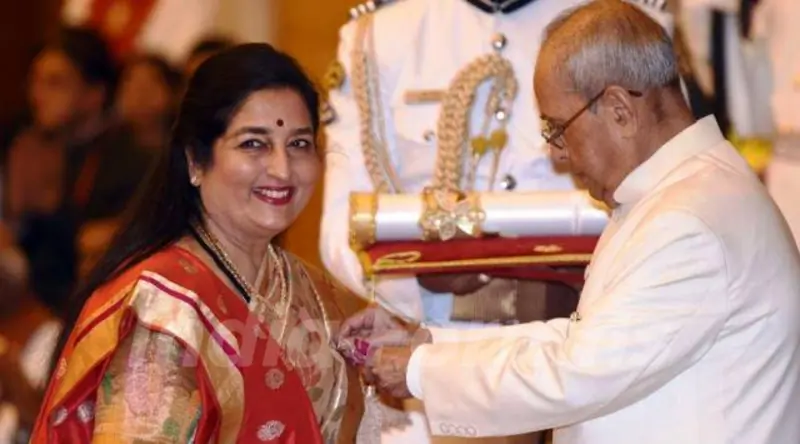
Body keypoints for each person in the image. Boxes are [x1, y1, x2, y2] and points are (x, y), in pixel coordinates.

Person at [338, 1, 800, 443]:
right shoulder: (679, 193)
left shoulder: (691, 219)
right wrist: (427, 340)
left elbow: (576, 373)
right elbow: (581, 340)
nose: (557, 153)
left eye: (558, 128)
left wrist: (419, 370)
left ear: (620, 110)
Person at [30, 43, 365, 443]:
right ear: (194, 161)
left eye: (299, 144)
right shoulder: (163, 311)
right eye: (253, 144)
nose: (282, 169)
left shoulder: (321, 296)